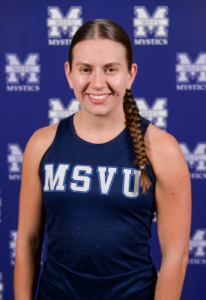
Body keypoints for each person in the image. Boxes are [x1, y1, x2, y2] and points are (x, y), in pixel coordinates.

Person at [14, 19, 191, 300]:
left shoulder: (162, 149)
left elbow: (176, 256)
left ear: (130, 74)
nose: (98, 83)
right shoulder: (41, 143)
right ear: (69, 73)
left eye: (111, 69)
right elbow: (27, 241)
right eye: (85, 69)